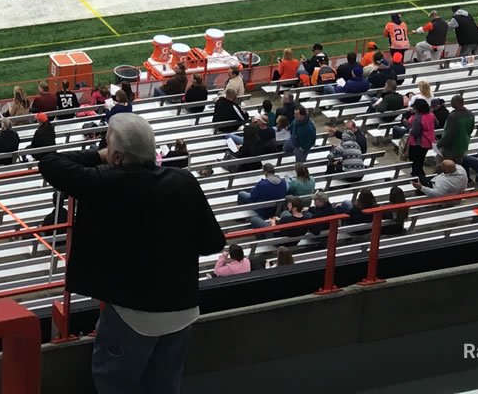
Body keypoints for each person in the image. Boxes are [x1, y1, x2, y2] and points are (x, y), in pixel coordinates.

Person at [32, 114, 223, 393]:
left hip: (132, 315)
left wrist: (99, 155)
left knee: (115, 384)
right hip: (183, 310)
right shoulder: (184, 181)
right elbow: (212, 243)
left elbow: (50, 163)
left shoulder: (105, 182)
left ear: (118, 157)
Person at [237, 163, 288, 228]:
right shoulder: (283, 182)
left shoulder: (262, 184)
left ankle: (241, 218)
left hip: (263, 209)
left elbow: (252, 196)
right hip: (277, 208)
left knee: (241, 193)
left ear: (265, 172)